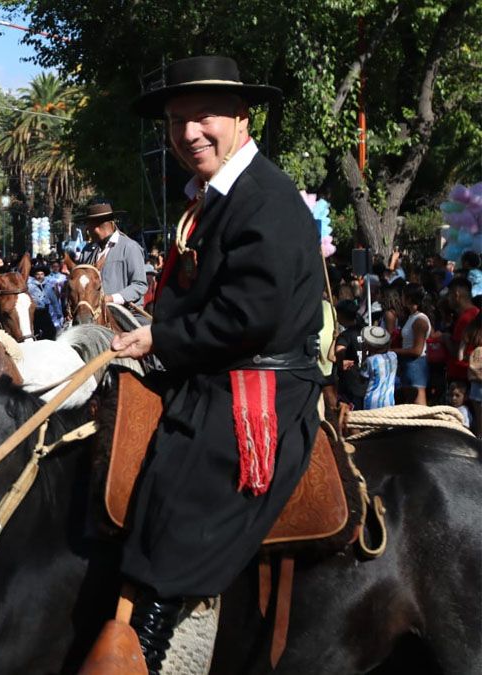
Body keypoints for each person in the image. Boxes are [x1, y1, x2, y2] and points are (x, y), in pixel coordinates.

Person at [104, 56, 324, 671]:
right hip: (217, 367)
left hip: (260, 387)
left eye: (204, 117)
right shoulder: (217, 196)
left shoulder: (266, 200)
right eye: (177, 122)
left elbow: (249, 314)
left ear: (241, 118)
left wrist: (163, 341)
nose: (189, 133)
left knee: (182, 480)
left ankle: (147, 632)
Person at [77, 202, 149, 306]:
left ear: (95, 226)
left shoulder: (130, 247)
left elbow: (140, 285)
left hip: (127, 312)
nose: (87, 229)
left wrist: (111, 299)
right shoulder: (87, 251)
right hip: (93, 314)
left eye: (88, 225)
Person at [392, 284, 431, 405]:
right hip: (409, 365)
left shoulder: (420, 320)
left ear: (409, 298)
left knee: (418, 404)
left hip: (416, 365)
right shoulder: (412, 317)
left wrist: (393, 351)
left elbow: (417, 350)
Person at [445, 277, 479, 388]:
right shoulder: (476, 313)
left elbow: (457, 351)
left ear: (456, 294)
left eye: (449, 295)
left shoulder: (466, 318)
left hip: (461, 377)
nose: (448, 299)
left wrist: (444, 338)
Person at [362, 325, 398, 409]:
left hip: (372, 402)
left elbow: (362, 378)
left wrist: (364, 354)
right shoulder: (393, 356)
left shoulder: (370, 361)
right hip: (389, 401)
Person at [27, 264, 62, 339]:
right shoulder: (29, 287)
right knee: (34, 331)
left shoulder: (48, 286)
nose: (40, 276)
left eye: (42, 274)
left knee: (51, 331)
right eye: (37, 274)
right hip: (34, 312)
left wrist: (58, 313)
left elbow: (54, 301)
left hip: (45, 311)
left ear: (44, 275)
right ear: (34, 275)